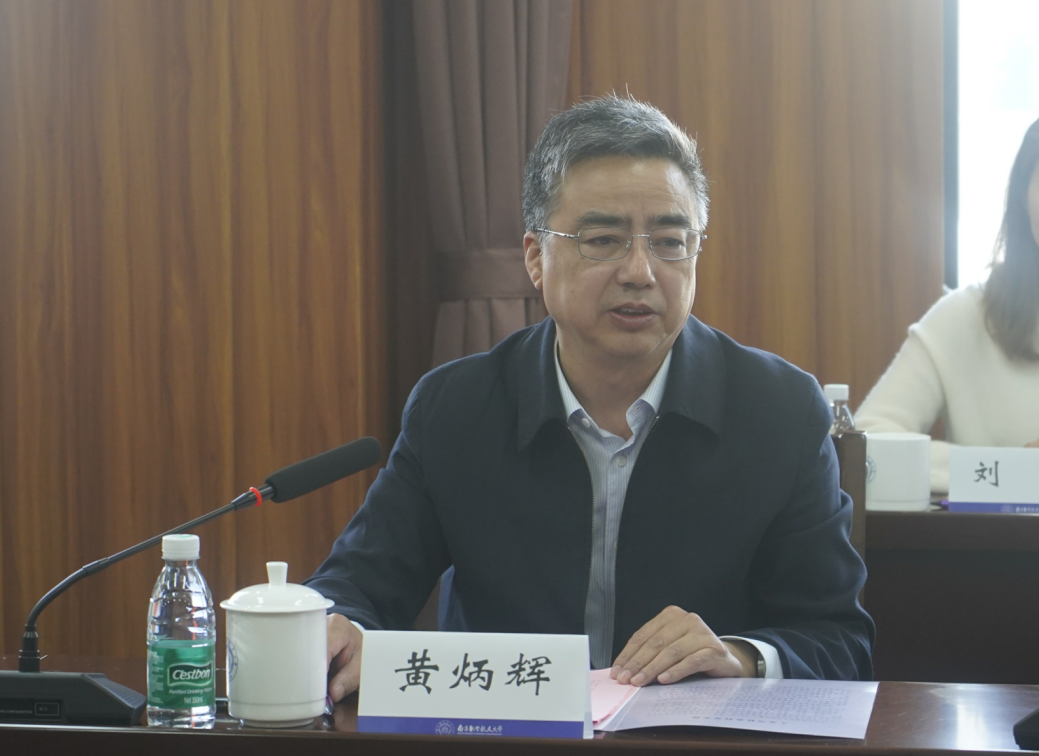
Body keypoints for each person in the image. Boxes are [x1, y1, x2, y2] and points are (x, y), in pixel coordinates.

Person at [306, 95, 873, 702]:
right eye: (603, 239)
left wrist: (740, 656)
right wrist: (344, 627)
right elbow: (356, 587)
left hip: (690, 738)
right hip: (502, 733)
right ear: (535, 258)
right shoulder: (457, 408)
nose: (640, 272)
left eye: (669, 241)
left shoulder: (778, 411)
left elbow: (839, 641)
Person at [856, 118, 1039, 495]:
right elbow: (867, 445)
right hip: (1000, 534)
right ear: (1024, 197)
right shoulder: (970, 314)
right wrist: (1014, 472)